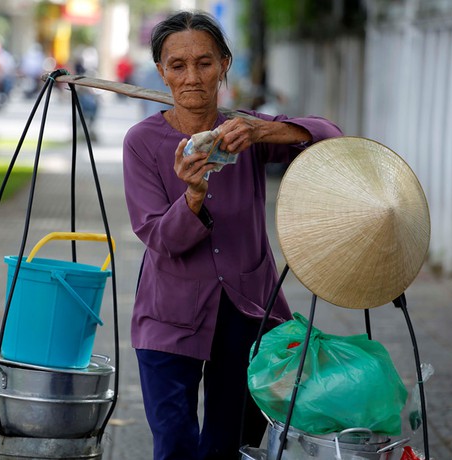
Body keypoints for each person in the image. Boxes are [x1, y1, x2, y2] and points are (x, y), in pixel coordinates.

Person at [121, 10, 343, 460]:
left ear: (224, 65)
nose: (192, 77)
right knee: (175, 446)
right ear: (161, 72)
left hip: (249, 315)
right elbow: (160, 238)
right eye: (177, 65)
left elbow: (331, 138)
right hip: (170, 318)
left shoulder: (244, 131)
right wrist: (193, 196)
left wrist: (266, 128)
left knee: (228, 447)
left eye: (204, 63)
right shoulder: (141, 142)